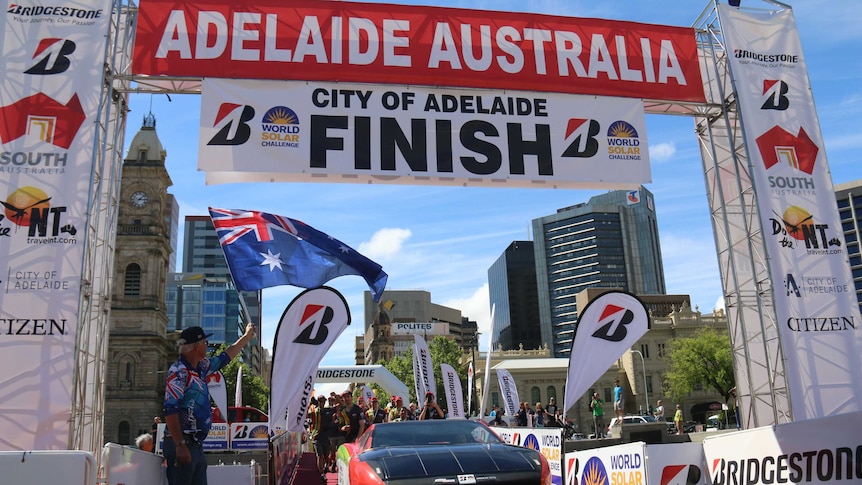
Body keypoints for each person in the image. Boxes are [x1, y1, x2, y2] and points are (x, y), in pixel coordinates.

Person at [163, 323, 256, 485]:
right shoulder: (179, 372)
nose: (207, 346)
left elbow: (225, 357)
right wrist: (179, 443)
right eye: (205, 343)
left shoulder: (201, 367)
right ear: (197, 346)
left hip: (195, 444)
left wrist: (247, 337)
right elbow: (170, 410)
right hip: (183, 441)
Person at [309, 395, 332, 481]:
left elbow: (339, 407)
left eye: (323, 401)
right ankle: (322, 474)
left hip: (326, 437)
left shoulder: (328, 410)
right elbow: (304, 414)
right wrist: (309, 404)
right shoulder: (314, 411)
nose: (322, 403)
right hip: (316, 436)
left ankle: (326, 466)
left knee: (327, 456)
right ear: (318, 402)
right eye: (320, 401)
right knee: (320, 455)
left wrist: (335, 397)